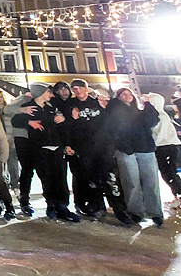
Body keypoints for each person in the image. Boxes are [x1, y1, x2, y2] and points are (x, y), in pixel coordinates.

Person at [11, 84, 79, 222]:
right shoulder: (29, 106)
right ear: (40, 93)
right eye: (49, 92)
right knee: (47, 179)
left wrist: (65, 134)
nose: (52, 94)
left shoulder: (52, 106)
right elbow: (15, 120)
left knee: (60, 178)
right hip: (40, 148)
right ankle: (51, 205)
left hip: (57, 146)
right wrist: (28, 121)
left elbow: (62, 128)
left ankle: (62, 206)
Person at [66, 79, 129, 223]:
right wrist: (69, 141)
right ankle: (98, 206)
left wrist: (106, 106)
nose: (78, 91)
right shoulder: (71, 106)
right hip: (84, 149)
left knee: (111, 178)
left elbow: (112, 120)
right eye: (74, 89)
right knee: (92, 180)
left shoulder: (98, 102)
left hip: (103, 147)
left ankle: (119, 209)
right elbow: (68, 128)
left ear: (86, 89)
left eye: (80, 88)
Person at [107, 88, 163, 226]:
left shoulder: (139, 112)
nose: (128, 96)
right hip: (126, 150)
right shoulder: (115, 110)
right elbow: (113, 129)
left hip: (145, 149)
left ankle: (155, 212)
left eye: (129, 93)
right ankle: (135, 211)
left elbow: (152, 120)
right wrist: (122, 146)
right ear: (118, 97)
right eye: (123, 94)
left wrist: (148, 104)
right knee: (131, 183)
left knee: (151, 182)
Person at [147, 92, 181, 208]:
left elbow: (158, 134)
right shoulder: (162, 115)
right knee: (168, 174)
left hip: (165, 147)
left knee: (169, 174)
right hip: (167, 146)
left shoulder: (159, 116)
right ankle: (179, 197)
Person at [4, 89, 36, 215]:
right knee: (27, 170)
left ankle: (53, 202)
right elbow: (8, 110)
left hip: (39, 139)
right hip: (23, 139)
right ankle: (24, 199)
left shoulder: (46, 102)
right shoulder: (24, 100)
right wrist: (22, 103)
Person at [0, 90, 20, 189]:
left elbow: (14, 126)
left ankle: (15, 183)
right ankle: (3, 183)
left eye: (1, 97)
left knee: (13, 163)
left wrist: (13, 139)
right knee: (0, 165)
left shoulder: (10, 110)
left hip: (10, 140)